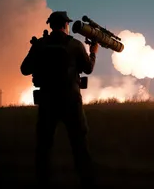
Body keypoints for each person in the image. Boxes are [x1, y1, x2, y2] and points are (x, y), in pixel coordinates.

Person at [20, 11, 99, 188]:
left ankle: (42, 181)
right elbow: (88, 69)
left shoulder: (40, 45)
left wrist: (35, 50)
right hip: (71, 101)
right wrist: (93, 52)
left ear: (51, 25)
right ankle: (87, 182)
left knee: (44, 145)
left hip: (47, 101)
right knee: (79, 144)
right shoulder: (75, 45)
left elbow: (24, 69)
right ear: (65, 25)